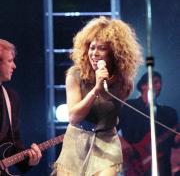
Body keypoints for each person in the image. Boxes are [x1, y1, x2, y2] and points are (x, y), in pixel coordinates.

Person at [52, 16, 143, 176]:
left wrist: (105, 86)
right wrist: (96, 90)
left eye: (101, 48)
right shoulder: (75, 75)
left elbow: (109, 112)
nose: (94, 53)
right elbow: (74, 117)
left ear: (115, 52)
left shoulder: (124, 82)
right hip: (77, 140)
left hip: (106, 141)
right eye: (91, 47)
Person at [118, 71, 179, 176]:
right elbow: (109, 129)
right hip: (133, 162)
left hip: (162, 166)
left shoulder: (169, 113)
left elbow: (173, 142)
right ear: (143, 85)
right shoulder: (127, 106)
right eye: (155, 82)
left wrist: (177, 139)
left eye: (160, 83)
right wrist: (123, 144)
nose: (159, 85)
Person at [0, 39, 42, 175]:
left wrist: (29, 162)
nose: (14, 66)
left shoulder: (11, 98)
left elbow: (14, 143)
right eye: (9, 61)